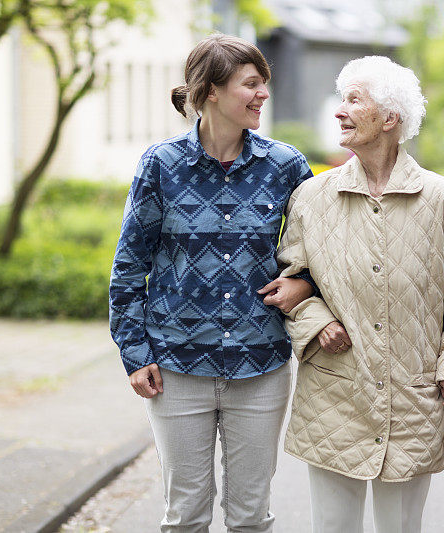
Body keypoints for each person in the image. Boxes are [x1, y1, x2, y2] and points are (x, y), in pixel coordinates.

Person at [267, 56, 444, 533]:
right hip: (334, 398)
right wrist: (316, 321)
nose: (339, 111)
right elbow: (288, 284)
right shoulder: (312, 197)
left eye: (354, 99)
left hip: (412, 401)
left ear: (390, 118)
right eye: (341, 98)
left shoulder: (442, 200)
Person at [109, 34, 315, 532]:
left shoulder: (286, 167)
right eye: (251, 84)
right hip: (176, 367)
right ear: (211, 92)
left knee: (250, 516)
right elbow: (129, 266)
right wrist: (135, 354)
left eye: (264, 83)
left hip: (259, 364)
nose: (263, 94)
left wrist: (305, 285)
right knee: (184, 516)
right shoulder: (161, 165)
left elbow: (325, 251)